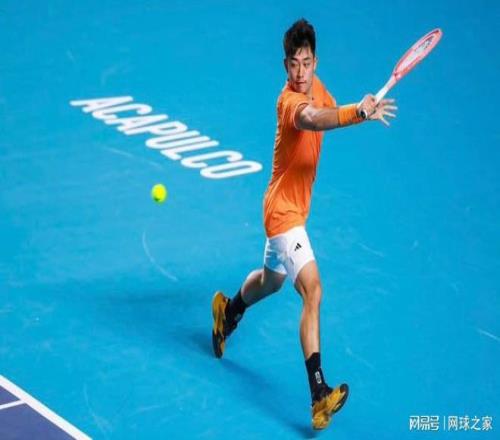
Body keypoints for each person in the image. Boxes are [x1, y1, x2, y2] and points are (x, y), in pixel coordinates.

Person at [212, 18, 396, 431]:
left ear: (315, 61)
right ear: (285, 65)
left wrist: (362, 110)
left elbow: (329, 110)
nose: (300, 72)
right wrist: (356, 112)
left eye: (306, 63)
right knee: (313, 290)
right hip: (284, 215)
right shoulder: (290, 103)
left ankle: (227, 310)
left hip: (287, 207)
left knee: (271, 282)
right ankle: (318, 395)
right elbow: (314, 119)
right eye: (293, 64)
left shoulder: (318, 87)